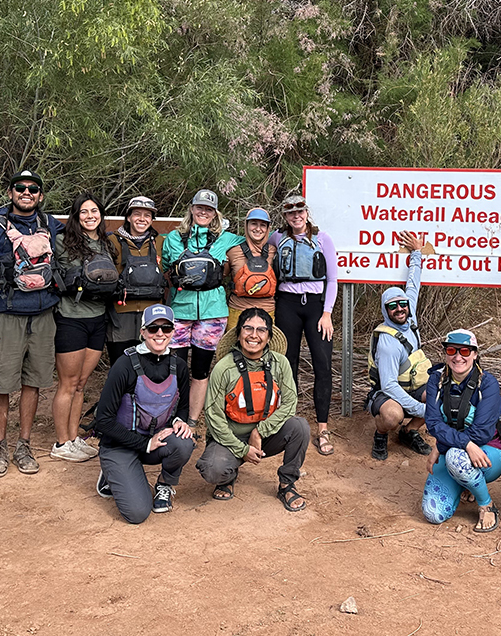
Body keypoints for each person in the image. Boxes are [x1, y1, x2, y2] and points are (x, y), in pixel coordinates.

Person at [0, 169, 63, 477]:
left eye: (33, 188)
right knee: (1, 383)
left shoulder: (50, 225)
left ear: (40, 195)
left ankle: (23, 445)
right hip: (5, 315)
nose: (27, 192)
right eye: (20, 188)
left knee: (33, 381)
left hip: (43, 315)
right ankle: (0, 446)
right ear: (10, 192)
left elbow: (81, 238)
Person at [196, 308, 310, 512]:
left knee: (299, 427)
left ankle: (287, 484)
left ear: (269, 336)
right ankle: (228, 476)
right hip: (229, 439)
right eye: (247, 328)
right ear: (239, 333)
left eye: (261, 330)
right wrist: (242, 450)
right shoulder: (224, 368)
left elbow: (290, 402)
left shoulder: (280, 363)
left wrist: (260, 431)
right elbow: (213, 416)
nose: (253, 335)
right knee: (213, 470)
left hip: (265, 436)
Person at [93, 305, 195, 522]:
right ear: (143, 332)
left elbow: (184, 406)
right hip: (120, 444)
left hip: (154, 442)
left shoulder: (179, 366)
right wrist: (144, 444)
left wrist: (180, 421)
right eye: (153, 328)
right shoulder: (124, 365)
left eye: (166, 328)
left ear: (173, 331)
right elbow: (102, 420)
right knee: (137, 513)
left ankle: (165, 485)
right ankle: (112, 474)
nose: (160, 334)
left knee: (184, 442)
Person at [160, 189, 242, 426]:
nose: (203, 212)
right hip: (180, 310)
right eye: (199, 208)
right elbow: (167, 267)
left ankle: (192, 420)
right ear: (192, 209)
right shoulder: (174, 238)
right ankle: (172, 415)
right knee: (174, 368)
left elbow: (253, 240)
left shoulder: (226, 238)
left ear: (215, 213)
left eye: (208, 209)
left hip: (212, 313)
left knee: (201, 370)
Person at [269, 194, 340, 455]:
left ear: (306, 213)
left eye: (300, 212)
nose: (296, 216)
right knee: (288, 364)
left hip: (315, 307)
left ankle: (322, 428)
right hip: (286, 303)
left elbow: (332, 279)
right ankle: (290, 422)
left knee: (323, 364)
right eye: (290, 213)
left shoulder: (323, 239)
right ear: (285, 216)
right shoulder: (277, 237)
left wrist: (327, 313)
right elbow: (259, 253)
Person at [50, 192, 117, 462]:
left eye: (95, 211)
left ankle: (74, 437)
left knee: (80, 384)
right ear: (76, 216)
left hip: (98, 317)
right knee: (67, 383)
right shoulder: (62, 242)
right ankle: (61, 442)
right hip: (70, 317)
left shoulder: (106, 244)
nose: (90, 216)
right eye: (84, 212)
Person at [421, 330, 501, 533]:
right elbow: (433, 423)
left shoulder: (487, 383)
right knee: (433, 514)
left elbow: (482, 433)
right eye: (451, 350)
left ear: (475, 354)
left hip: (488, 452)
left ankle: (486, 505)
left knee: (455, 457)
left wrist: (442, 446)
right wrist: (464, 444)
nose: (458, 356)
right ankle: (464, 484)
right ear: (445, 353)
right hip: (459, 450)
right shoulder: (436, 379)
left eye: (465, 351)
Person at [366, 231, 431, 460]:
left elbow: (413, 283)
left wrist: (416, 252)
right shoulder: (387, 342)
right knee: (393, 415)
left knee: (441, 395)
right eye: (393, 306)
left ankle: (409, 431)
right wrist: (421, 409)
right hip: (388, 391)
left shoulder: (410, 313)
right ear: (386, 310)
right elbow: (390, 386)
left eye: (402, 304)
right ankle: (381, 433)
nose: (400, 309)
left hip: (414, 383)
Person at [106, 196, 168, 364]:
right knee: (120, 362)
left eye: (147, 215)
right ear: (128, 217)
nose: (142, 219)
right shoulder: (112, 241)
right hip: (121, 312)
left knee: (149, 362)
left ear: (152, 219)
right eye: (137, 214)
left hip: (152, 313)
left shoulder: (160, 242)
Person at [226, 207, 278, 330]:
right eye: (254, 224)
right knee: (233, 347)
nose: (258, 229)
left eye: (263, 225)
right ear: (246, 225)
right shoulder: (233, 251)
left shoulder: (275, 251)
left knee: (263, 347)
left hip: (268, 310)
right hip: (237, 309)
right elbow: (220, 278)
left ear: (268, 228)